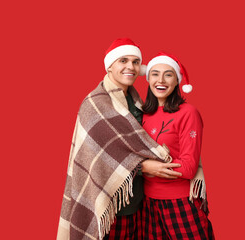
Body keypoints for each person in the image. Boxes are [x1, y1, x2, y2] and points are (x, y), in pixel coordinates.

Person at [57, 38, 179, 240]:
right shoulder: (94, 104)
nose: (130, 67)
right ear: (110, 66)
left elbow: (142, 142)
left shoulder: (138, 101)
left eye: (135, 62)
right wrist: (143, 167)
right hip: (109, 202)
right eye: (123, 60)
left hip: (138, 200)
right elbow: (96, 157)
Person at [140, 52, 214, 239]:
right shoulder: (142, 114)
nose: (161, 80)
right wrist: (144, 167)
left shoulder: (188, 113)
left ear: (177, 81)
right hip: (147, 204)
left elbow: (189, 168)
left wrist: (150, 168)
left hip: (180, 202)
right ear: (148, 78)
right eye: (155, 73)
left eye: (169, 74)